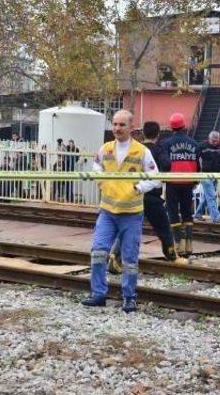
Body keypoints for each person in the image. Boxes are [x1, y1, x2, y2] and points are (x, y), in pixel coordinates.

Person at [81, 110, 160, 313]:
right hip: (107, 211)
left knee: (129, 259)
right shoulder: (106, 148)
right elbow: (96, 167)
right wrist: (101, 181)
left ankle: (129, 298)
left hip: (131, 213)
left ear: (131, 127)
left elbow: (156, 177)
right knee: (98, 253)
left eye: (122, 125)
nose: (117, 128)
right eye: (115, 124)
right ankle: (98, 294)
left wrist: (138, 188)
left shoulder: (141, 151)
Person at [108, 121, 188, 271]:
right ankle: (172, 255)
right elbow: (166, 165)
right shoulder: (159, 149)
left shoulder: (137, 149)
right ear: (158, 134)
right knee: (163, 227)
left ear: (143, 133)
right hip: (152, 197)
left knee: (127, 227)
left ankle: (114, 255)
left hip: (134, 195)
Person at [161, 112, 200, 255]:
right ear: (184, 125)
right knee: (187, 212)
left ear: (172, 127)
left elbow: (165, 163)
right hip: (188, 181)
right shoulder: (194, 144)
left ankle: (177, 244)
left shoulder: (166, 144)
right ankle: (189, 245)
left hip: (172, 181)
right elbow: (197, 163)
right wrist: (195, 180)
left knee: (173, 212)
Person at [194, 131, 220, 223]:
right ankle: (216, 217)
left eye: (216, 141)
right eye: (213, 141)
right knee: (211, 195)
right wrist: (198, 171)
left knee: (207, 196)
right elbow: (196, 159)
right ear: (208, 139)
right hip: (205, 174)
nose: (215, 143)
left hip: (215, 174)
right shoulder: (201, 146)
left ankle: (198, 214)